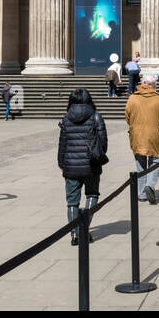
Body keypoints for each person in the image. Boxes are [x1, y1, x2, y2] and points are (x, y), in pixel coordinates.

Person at [56, 88, 107, 246]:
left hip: (70, 165)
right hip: (91, 164)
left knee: (72, 202)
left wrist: (61, 163)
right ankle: (83, 229)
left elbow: (62, 144)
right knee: (92, 195)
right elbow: (103, 144)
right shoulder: (96, 117)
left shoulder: (66, 119)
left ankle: (74, 233)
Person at [125, 72, 159, 204]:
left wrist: (134, 126)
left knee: (140, 163)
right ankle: (150, 185)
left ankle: (141, 193)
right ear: (152, 85)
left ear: (142, 84)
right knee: (154, 161)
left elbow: (127, 116)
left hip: (137, 135)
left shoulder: (132, 98)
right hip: (154, 135)